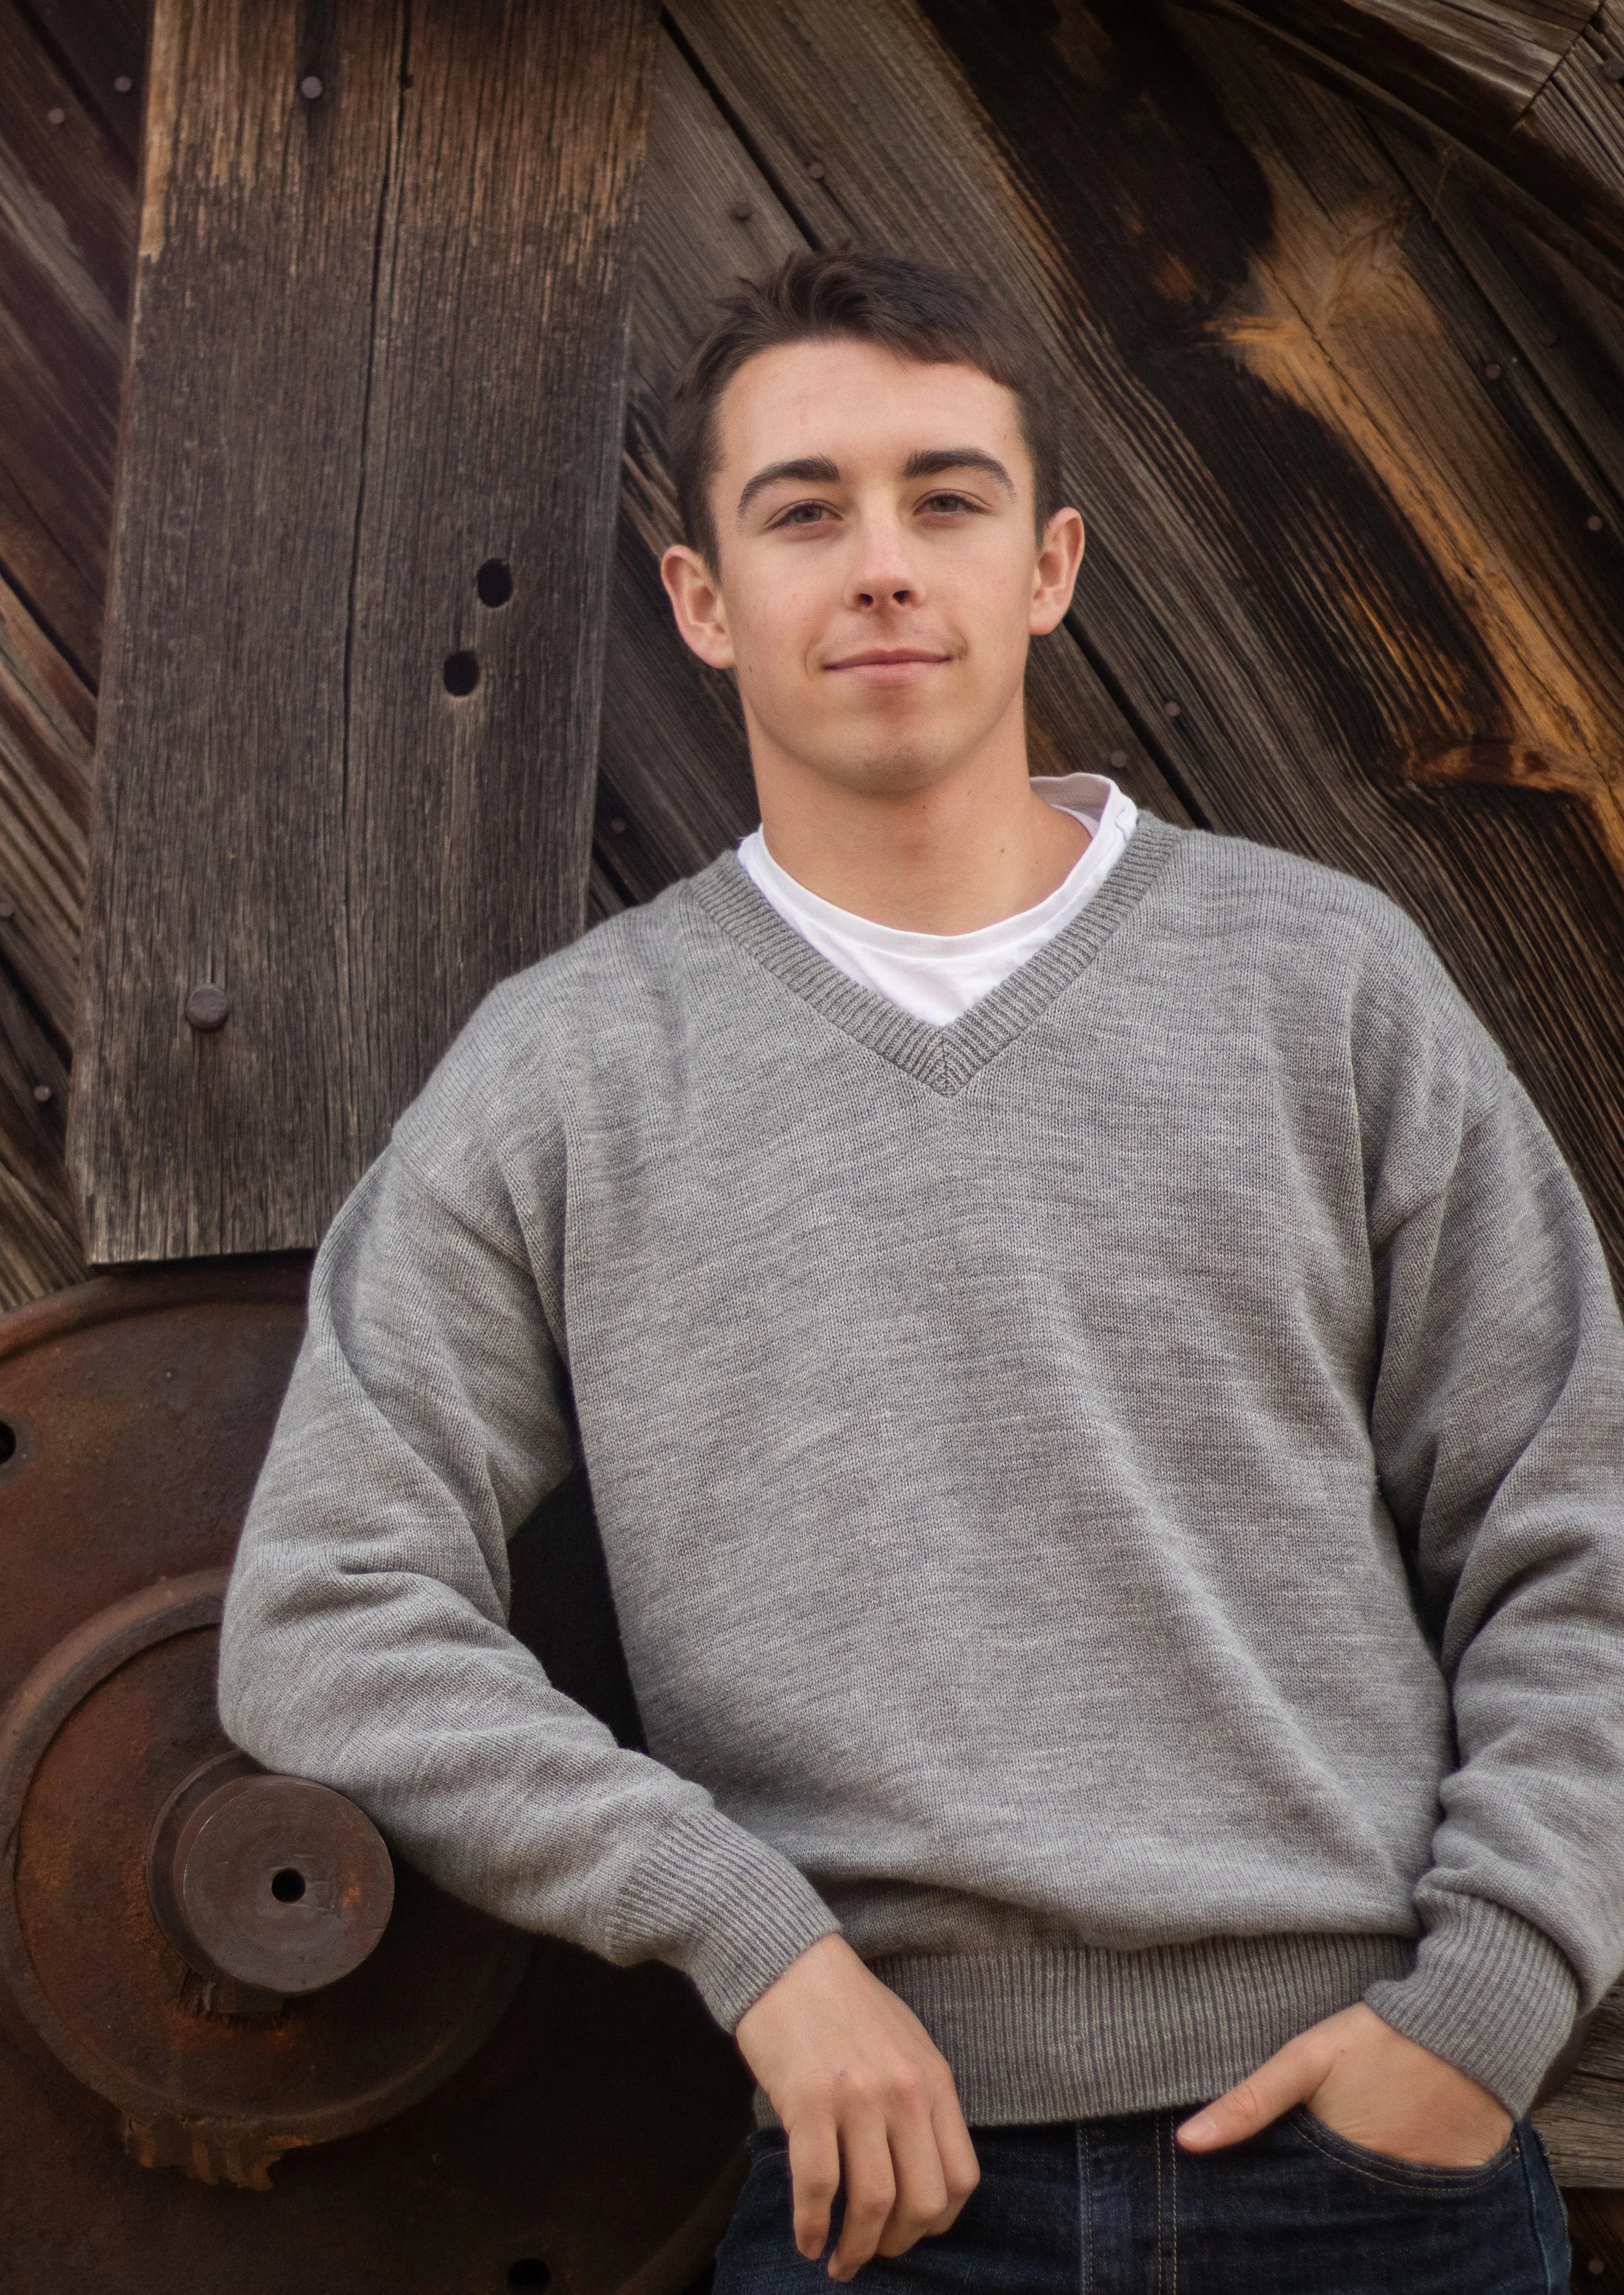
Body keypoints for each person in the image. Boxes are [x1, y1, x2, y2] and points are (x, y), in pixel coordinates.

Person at [218, 249, 1624, 2292]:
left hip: (1373, 2180)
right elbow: (327, 1615)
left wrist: (1482, 2013)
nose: (880, 565)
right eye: (803, 511)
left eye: (943, 498)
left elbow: (1577, 1522)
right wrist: (746, 1933)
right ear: (704, 599)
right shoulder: (570, 1073)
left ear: (1046, 565)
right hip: (879, 2197)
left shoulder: (1324, 991)